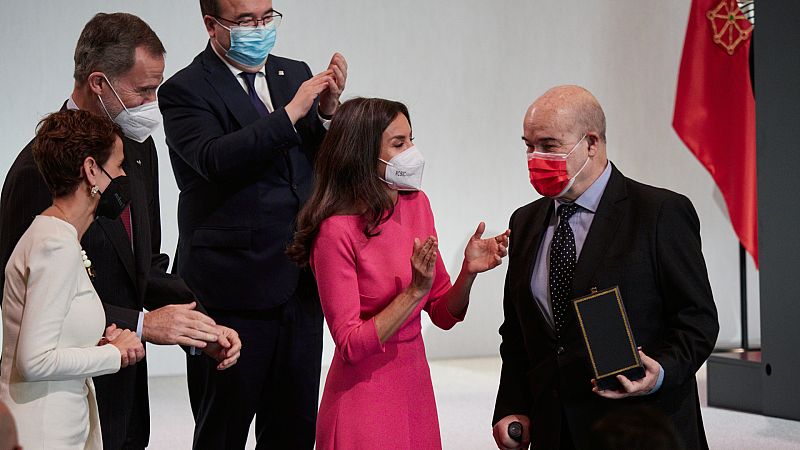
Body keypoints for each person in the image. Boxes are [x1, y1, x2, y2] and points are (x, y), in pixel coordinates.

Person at [0, 13, 241, 450]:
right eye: (144, 90)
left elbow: (144, 265)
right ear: (98, 83)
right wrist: (144, 325)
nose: (154, 103)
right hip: (57, 403)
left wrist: (200, 325)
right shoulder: (36, 170)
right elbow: (24, 295)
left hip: (125, 395)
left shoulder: (138, 147)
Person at [159, 0, 346, 447]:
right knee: (223, 426)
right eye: (246, 21)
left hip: (299, 284)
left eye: (266, 17)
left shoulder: (293, 72)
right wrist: (292, 113)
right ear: (211, 24)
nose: (259, 29)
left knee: (294, 427)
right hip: (230, 290)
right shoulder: (184, 89)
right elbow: (213, 159)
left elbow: (317, 162)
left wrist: (326, 112)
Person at [491, 85, 719, 450]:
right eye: (528, 145)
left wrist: (659, 372)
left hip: (641, 427)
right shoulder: (525, 221)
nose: (534, 157)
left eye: (548, 145)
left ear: (592, 143)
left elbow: (698, 321)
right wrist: (512, 407)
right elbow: (518, 333)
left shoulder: (659, 213)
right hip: (556, 429)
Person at [287, 97, 510, 449]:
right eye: (399, 143)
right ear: (362, 153)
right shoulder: (335, 232)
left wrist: (468, 272)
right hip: (364, 395)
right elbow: (350, 345)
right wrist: (413, 294)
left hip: (413, 382)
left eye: (411, 139)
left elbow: (443, 313)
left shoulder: (416, 202)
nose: (413, 151)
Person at [0, 110, 146, 449]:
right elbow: (34, 361)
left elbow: (50, 339)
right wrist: (115, 355)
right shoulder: (55, 245)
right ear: (92, 169)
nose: (124, 176)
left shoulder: (58, 236)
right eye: (120, 165)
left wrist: (98, 344)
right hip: (43, 433)